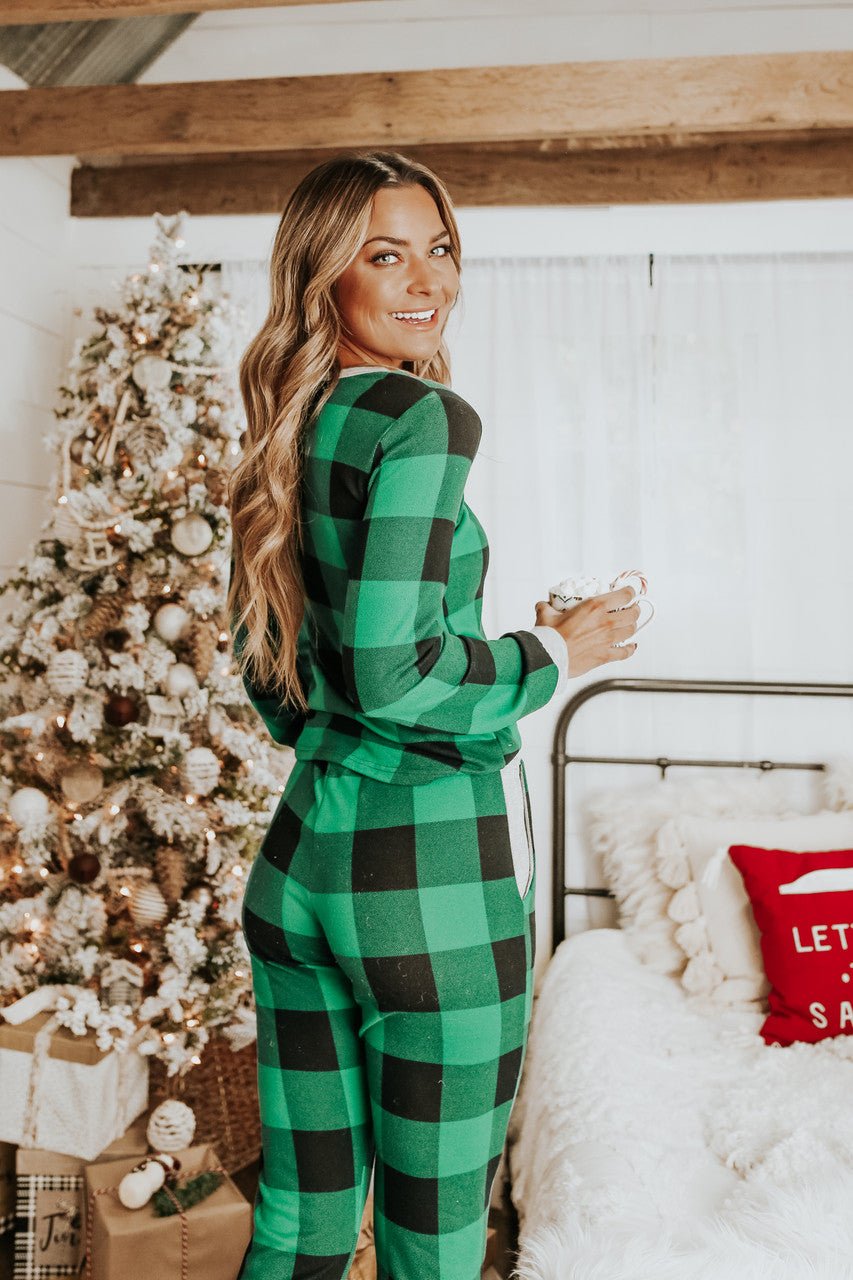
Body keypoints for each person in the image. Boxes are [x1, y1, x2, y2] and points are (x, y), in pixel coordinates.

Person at [227, 149, 642, 1280]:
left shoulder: (285, 427)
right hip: (428, 897)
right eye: (385, 253)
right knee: (433, 1245)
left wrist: (486, 643)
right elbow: (397, 675)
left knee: (300, 1230)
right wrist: (551, 650)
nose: (427, 280)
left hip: (301, 866)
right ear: (325, 276)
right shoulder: (421, 416)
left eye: (439, 247)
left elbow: (280, 688)